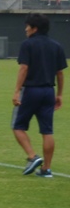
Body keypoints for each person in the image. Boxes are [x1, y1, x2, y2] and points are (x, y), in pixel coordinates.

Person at [12, 13, 66, 178]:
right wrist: (60, 94)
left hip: (31, 90)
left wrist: (16, 91)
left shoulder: (28, 44)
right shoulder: (56, 46)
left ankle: (32, 156)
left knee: (18, 126)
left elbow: (24, 68)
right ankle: (47, 169)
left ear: (34, 28)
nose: (25, 29)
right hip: (48, 91)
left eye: (27, 26)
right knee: (47, 131)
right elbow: (60, 73)